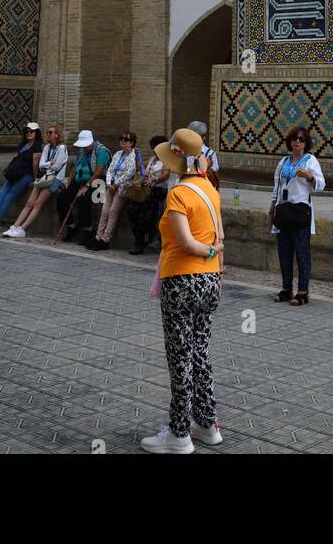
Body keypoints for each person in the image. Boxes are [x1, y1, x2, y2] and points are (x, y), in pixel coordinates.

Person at [140, 129, 224, 455]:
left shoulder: (178, 194)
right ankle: (207, 424)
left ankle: (179, 433)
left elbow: (187, 243)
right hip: (210, 281)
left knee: (180, 358)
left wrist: (204, 252)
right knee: (200, 353)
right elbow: (220, 241)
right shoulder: (211, 190)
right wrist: (215, 266)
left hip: (182, 281)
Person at [269, 125, 325, 307]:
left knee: (302, 253)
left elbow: (321, 185)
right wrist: (272, 208)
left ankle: (303, 291)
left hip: (300, 212)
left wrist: (309, 177)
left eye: (301, 140)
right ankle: (286, 288)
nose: (297, 143)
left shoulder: (311, 161)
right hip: (284, 211)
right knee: (284, 252)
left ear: (306, 142)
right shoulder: (284, 162)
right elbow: (276, 186)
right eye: (294, 139)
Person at [3, 125, 68, 238]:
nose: (48, 134)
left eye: (51, 132)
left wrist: (48, 165)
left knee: (37, 204)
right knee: (29, 203)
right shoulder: (47, 147)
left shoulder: (62, 148)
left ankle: (22, 229)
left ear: (57, 134)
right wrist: (49, 164)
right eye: (47, 132)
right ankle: (15, 226)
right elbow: (41, 164)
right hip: (43, 177)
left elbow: (57, 167)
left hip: (55, 179)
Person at [0, 123, 42, 233]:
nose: (29, 133)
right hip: (16, 174)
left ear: (37, 133)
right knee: (1, 192)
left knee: (10, 195)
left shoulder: (37, 145)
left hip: (27, 175)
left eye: (31, 131)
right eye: (27, 131)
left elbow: (35, 163)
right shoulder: (23, 145)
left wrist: (35, 179)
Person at [88, 130, 143, 250]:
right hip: (111, 186)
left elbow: (130, 173)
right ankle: (98, 237)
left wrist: (116, 184)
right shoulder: (118, 154)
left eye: (126, 140)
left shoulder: (134, 155)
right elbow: (110, 169)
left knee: (113, 212)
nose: (123, 141)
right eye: (121, 139)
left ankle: (105, 239)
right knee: (104, 211)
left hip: (122, 187)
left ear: (132, 143)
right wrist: (109, 184)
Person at [55, 130, 110, 243]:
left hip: (98, 181)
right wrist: (68, 183)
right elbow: (74, 168)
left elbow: (99, 171)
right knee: (61, 197)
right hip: (80, 180)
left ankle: (87, 230)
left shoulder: (101, 151)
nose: (83, 147)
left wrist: (87, 185)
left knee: (84, 197)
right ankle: (71, 226)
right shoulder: (81, 151)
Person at [126, 134, 168, 255]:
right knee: (132, 210)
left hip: (158, 190)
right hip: (146, 189)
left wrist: (155, 180)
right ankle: (139, 239)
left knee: (145, 215)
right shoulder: (152, 160)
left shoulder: (166, 160)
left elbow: (165, 174)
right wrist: (136, 157)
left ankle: (140, 242)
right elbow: (141, 169)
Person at [186, 120, 220, 189]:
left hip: (187, 187)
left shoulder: (183, 151)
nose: (205, 138)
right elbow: (215, 176)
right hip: (203, 189)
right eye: (203, 135)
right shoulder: (210, 153)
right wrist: (206, 165)